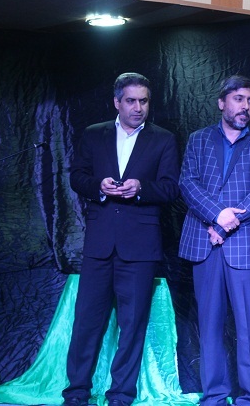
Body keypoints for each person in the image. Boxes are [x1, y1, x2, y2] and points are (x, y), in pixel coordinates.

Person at [63, 72, 181, 406]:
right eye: (131, 101)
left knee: (132, 326)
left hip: (140, 246)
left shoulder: (163, 139)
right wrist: (98, 187)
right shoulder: (94, 134)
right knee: (87, 322)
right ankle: (76, 393)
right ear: (117, 102)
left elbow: (171, 187)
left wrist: (141, 188)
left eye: (144, 101)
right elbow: (77, 177)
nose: (138, 108)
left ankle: (120, 396)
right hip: (99, 244)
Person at [178, 75, 250, 406]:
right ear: (222, 102)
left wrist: (223, 226)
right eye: (238, 99)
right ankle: (215, 397)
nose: (245, 106)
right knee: (209, 327)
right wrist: (216, 215)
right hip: (204, 245)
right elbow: (188, 183)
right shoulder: (198, 139)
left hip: (245, 246)